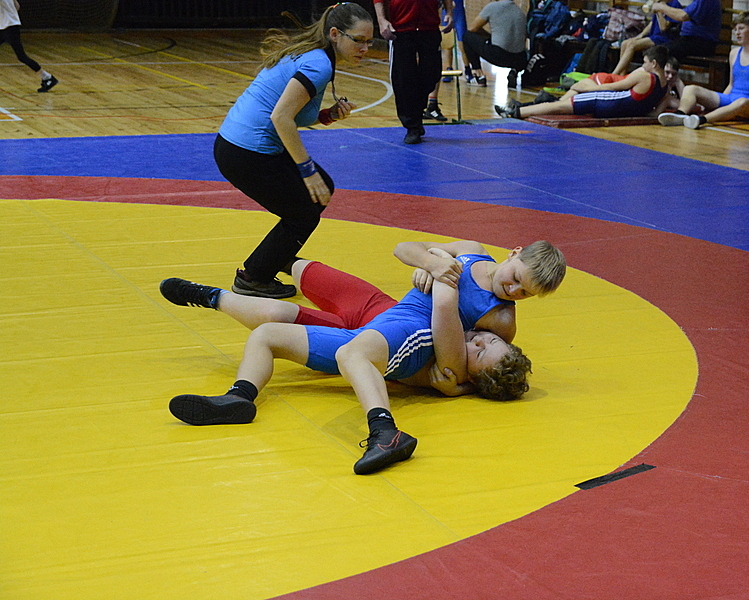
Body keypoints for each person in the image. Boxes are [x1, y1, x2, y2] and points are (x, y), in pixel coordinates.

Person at [160, 262, 532, 475]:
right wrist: (430, 260)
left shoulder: (449, 356)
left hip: (389, 332)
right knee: (270, 328)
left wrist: (437, 264)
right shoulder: (477, 309)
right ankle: (239, 397)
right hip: (378, 316)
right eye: (488, 341)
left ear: (472, 377)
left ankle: (385, 431)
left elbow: (445, 299)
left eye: (480, 353)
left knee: (350, 354)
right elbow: (407, 249)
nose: (477, 342)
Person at [214, 3, 373, 300]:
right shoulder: (319, 64)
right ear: (335, 34)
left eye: (369, 42)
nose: (365, 48)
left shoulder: (314, 54)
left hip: (238, 145)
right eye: (359, 40)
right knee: (303, 214)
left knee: (318, 193)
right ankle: (254, 278)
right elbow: (281, 117)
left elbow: (290, 112)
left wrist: (327, 115)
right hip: (246, 153)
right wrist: (306, 170)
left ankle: (277, 255)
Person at [657, 11, 749, 129]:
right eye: (735, 30)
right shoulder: (734, 53)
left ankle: (701, 119)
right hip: (731, 98)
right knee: (690, 89)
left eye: (741, 29)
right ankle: (680, 115)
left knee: (742, 102)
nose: (737, 33)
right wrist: (719, 103)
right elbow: (731, 85)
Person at [496, 44, 670, 121]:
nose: (643, 66)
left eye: (645, 62)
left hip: (606, 101)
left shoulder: (645, 77)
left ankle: (516, 112)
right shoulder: (665, 87)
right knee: (562, 104)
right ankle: (521, 108)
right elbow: (654, 114)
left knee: (560, 106)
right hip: (618, 108)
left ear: (654, 63)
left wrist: (589, 89)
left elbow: (612, 88)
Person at [374, 0, 454, 144]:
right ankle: (412, 126)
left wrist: (449, 12)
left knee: (432, 74)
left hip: (429, 27)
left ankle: (416, 114)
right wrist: (381, 19)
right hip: (400, 29)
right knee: (404, 79)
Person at [462, 0, 528, 88]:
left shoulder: (492, 7)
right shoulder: (520, 11)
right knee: (521, 51)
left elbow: (473, 29)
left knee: (467, 36)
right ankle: (514, 71)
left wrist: (486, 36)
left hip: (499, 55)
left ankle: (478, 75)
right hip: (520, 59)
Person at [611, 0, 682, 76]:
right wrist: (640, 36)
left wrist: (659, 10)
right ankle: (621, 75)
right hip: (653, 36)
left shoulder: (674, 4)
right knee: (625, 43)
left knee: (632, 45)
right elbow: (651, 24)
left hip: (664, 38)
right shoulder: (659, 3)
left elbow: (663, 27)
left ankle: (614, 74)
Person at [0, 0, 58, 92]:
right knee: (21, 56)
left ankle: (48, 77)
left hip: (10, 28)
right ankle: (47, 78)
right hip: (6, 26)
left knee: (21, 56)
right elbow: (17, 6)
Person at [649, 0, 721, 60]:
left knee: (659, 52)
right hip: (688, 40)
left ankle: (665, 72)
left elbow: (682, 16)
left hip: (702, 42)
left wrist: (662, 7)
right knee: (656, 51)